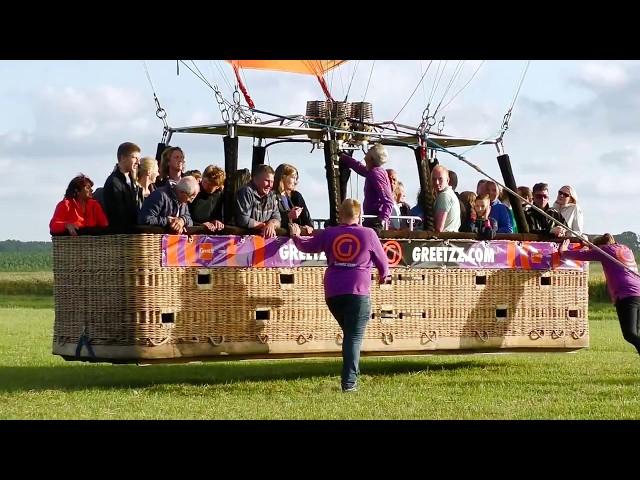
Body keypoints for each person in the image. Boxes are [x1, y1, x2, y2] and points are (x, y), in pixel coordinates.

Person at [289, 199, 390, 392]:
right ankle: (349, 382)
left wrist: (295, 236)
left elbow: (307, 246)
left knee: (350, 335)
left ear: (340, 215)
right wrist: (384, 276)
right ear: (359, 216)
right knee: (353, 337)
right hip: (357, 291)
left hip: (333, 293)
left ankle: (352, 374)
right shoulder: (368, 234)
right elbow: (383, 263)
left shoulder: (330, 233)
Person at [560, 234, 640, 354]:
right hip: (637, 291)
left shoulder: (604, 250)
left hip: (626, 293)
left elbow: (579, 255)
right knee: (636, 333)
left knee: (630, 334)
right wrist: (592, 247)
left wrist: (563, 251)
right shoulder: (624, 248)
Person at [339, 143, 394, 233]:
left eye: (369, 151)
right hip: (371, 218)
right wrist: (344, 157)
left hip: (374, 220)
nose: (366, 153)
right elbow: (359, 168)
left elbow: (388, 201)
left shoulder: (375, 174)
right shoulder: (374, 171)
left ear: (371, 158)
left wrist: (382, 221)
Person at [103, 142, 141, 233]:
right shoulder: (114, 182)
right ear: (123, 158)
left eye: (138, 158)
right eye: (134, 158)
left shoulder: (131, 180)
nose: (138, 162)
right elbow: (118, 214)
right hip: (122, 236)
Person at [235, 164, 281, 238]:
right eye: (267, 181)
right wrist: (264, 225)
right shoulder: (246, 192)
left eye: (272, 182)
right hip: (243, 243)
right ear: (255, 180)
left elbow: (277, 218)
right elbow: (243, 221)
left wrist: (271, 224)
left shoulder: (271, 195)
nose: (270, 185)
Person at [273, 163, 313, 235]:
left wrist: (308, 226)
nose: (295, 182)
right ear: (283, 177)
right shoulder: (271, 196)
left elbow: (307, 218)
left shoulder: (295, 196)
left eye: (296, 178)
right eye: (293, 177)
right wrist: (288, 216)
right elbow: (270, 218)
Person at [189, 165, 225, 232]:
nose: (206, 186)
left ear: (218, 186)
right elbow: (186, 216)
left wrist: (216, 222)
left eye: (211, 184)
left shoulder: (219, 196)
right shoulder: (193, 191)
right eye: (205, 182)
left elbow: (218, 216)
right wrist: (200, 225)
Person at [431, 165, 460, 232]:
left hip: (444, 239)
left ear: (447, 180)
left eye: (440, 179)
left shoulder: (444, 196)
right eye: (434, 179)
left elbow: (439, 228)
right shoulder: (451, 194)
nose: (437, 182)